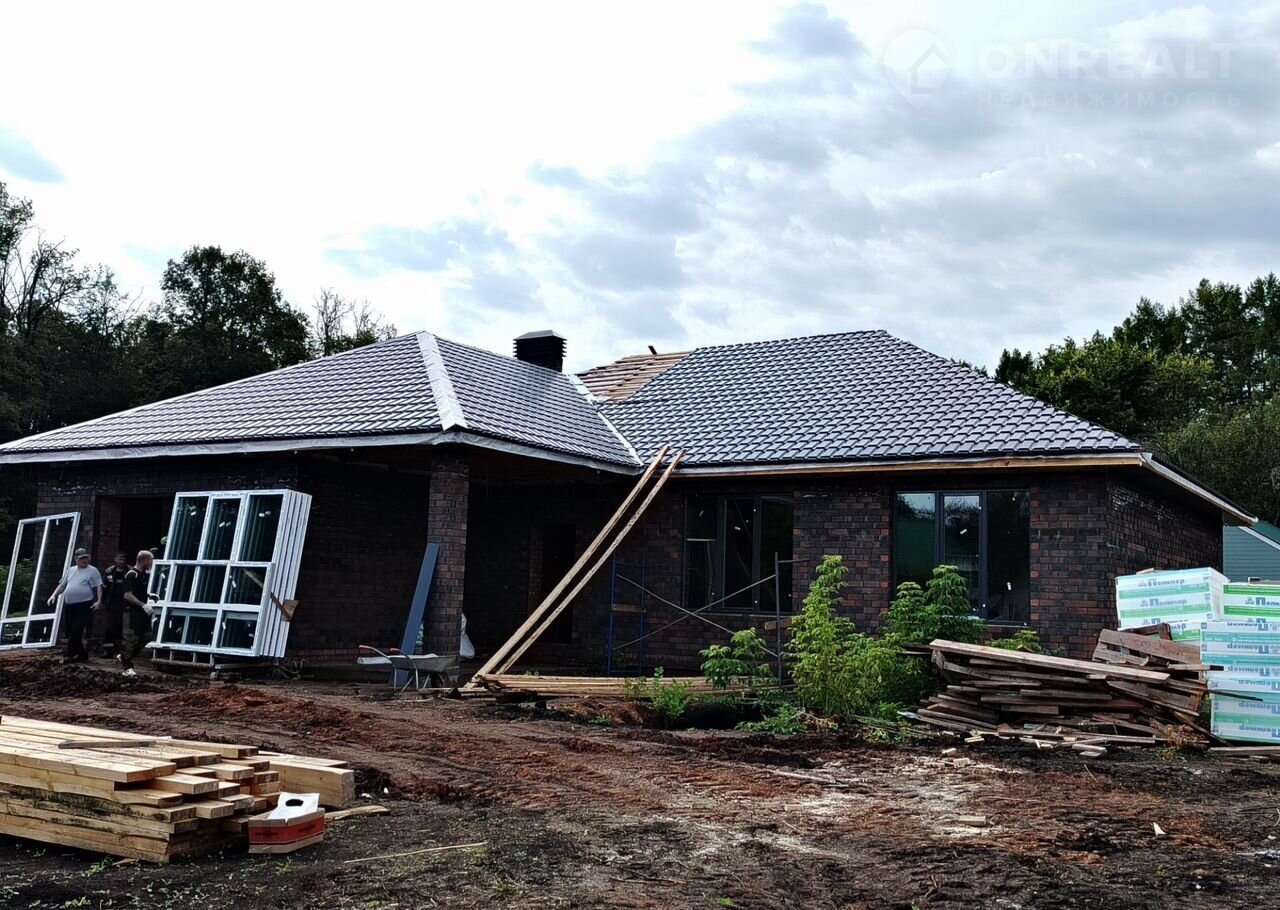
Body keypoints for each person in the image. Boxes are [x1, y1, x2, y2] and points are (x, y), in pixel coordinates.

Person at [47, 548, 103, 664]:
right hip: (70, 605)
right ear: (76, 559)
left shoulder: (92, 571)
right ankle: (82, 654)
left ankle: (69, 655)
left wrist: (98, 601)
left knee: (76, 630)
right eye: (82, 558)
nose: (85, 560)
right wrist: (53, 595)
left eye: (86, 558)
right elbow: (62, 585)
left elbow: (98, 586)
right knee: (69, 631)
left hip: (84, 605)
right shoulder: (71, 570)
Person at [118, 550, 155, 678]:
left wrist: (149, 598)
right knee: (130, 638)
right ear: (144, 560)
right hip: (132, 611)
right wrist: (142, 604)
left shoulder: (143, 575)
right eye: (150, 560)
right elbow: (127, 595)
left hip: (142, 612)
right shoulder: (131, 575)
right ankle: (127, 667)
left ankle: (124, 657)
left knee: (147, 636)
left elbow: (140, 591)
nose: (151, 563)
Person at [100, 552, 130, 656]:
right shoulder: (109, 571)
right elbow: (104, 587)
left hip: (126, 604)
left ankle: (124, 652)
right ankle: (108, 651)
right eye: (120, 559)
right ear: (115, 560)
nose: (122, 561)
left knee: (124, 628)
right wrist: (102, 601)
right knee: (109, 627)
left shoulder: (130, 571)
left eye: (123, 559)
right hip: (111, 604)